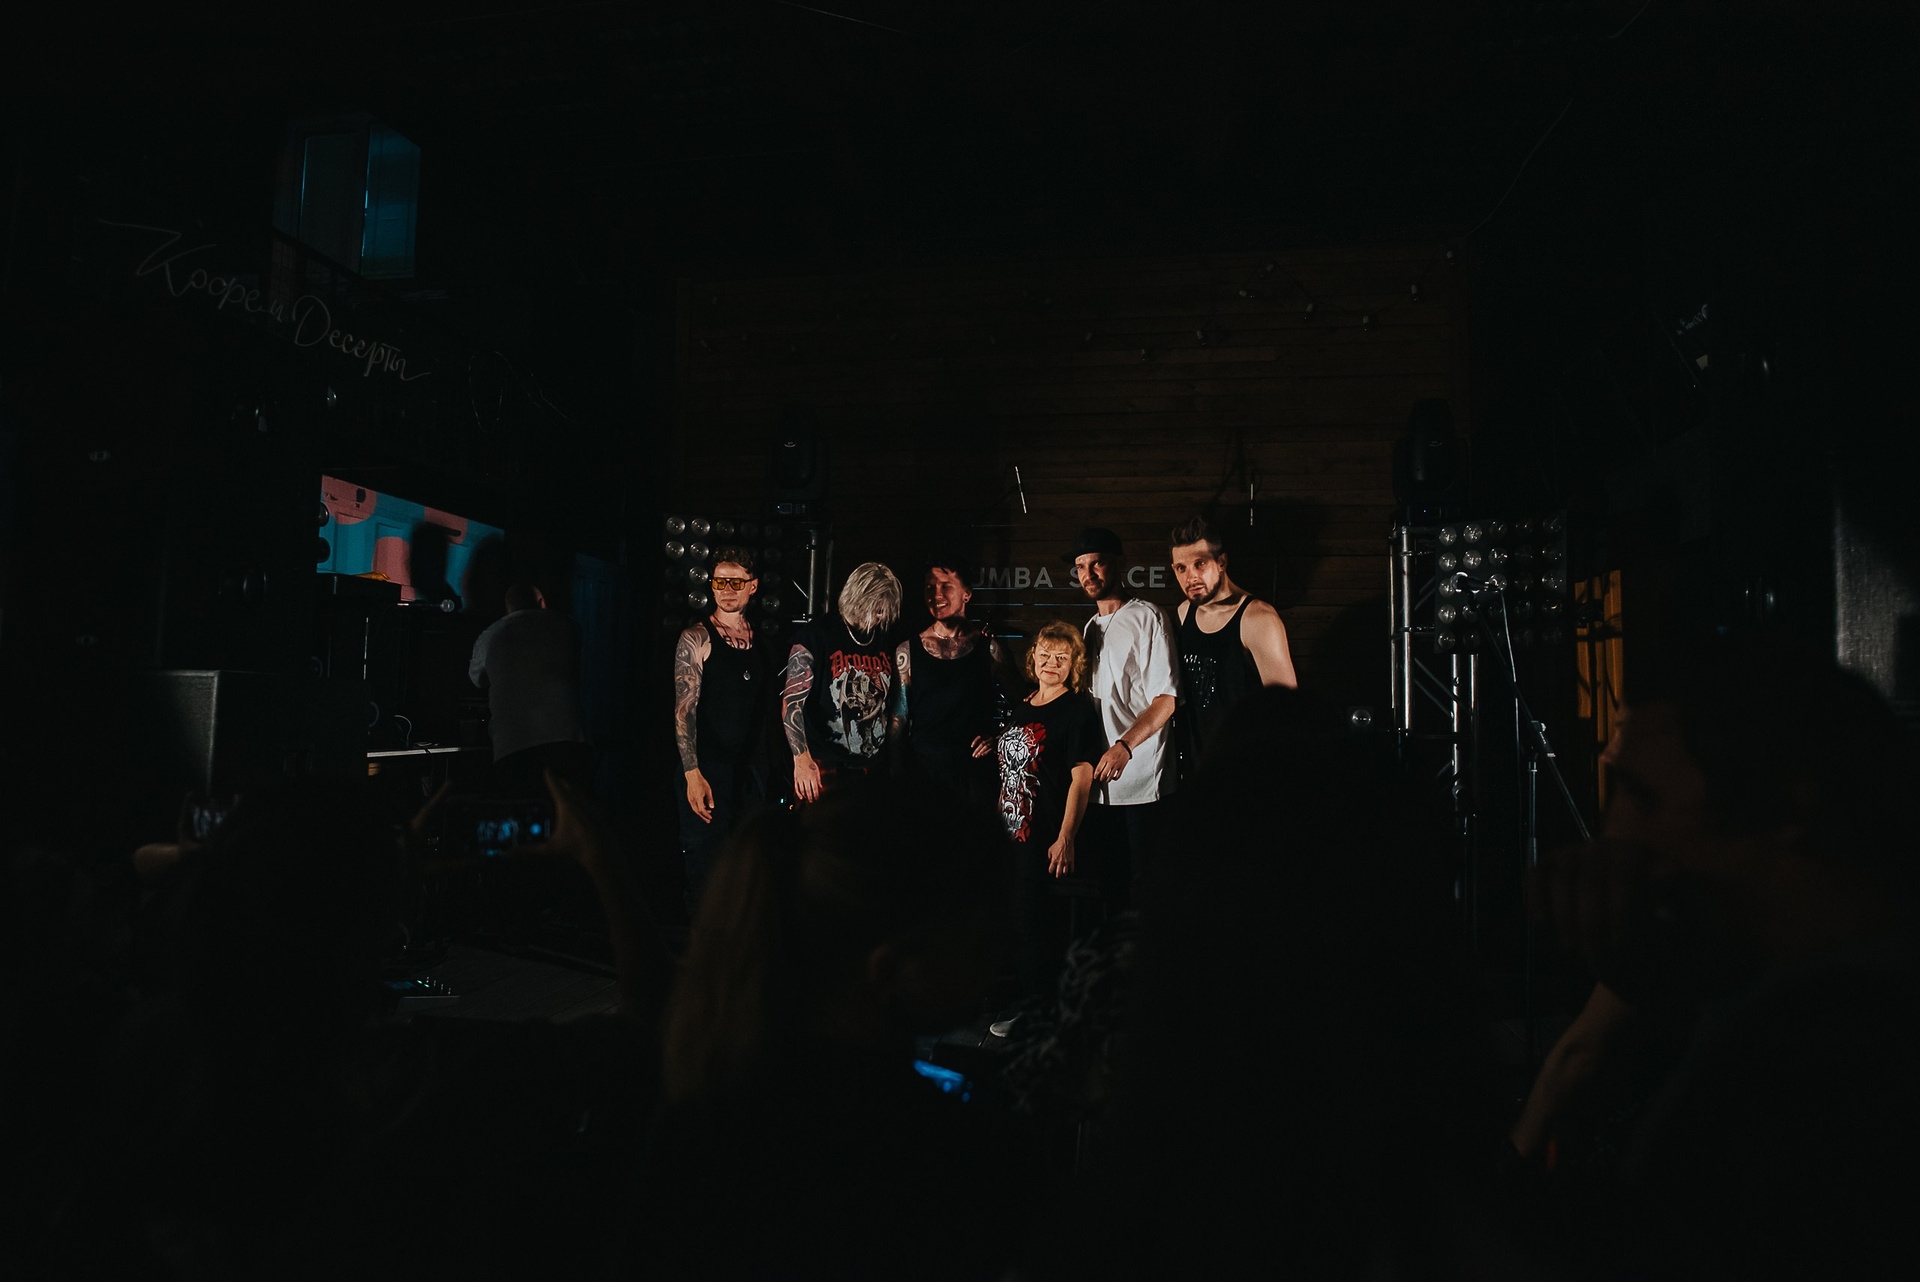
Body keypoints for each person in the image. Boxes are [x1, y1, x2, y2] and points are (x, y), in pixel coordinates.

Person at [1514, 635, 1920, 1280]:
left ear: (1786, 806)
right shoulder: (1720, 955)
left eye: (1641, 795)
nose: (1615, 834)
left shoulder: (1839, 1051)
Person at [645, 775, 1039, 1279]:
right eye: (984, 927)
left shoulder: (711, 1107)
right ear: (891, 967)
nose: (1007, 943)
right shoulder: (941, 1157)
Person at [972, 623, 1104, 999]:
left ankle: (1036, 1009)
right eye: (1045, 654)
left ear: (1074, 664)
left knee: (1033, 927)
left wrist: (1066, 837)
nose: (1051, 663)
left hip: (1041, 835)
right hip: (1009, 834)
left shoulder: (1077, 710)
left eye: (1061, 657)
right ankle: (1016, 1002)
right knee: (1009, 922)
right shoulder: (1024, 706)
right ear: (1033, 658)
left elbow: (1082, 777)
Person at [1069, 527, 1179, 905]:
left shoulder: (1148, 616)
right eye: (1080, 567)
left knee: (1145, 889)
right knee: (1108, 888)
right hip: (1100, 785)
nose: (1088, 574)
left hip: (1142, 780)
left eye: (1097, 563)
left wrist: (1125, 747)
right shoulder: (1089, 627)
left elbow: (1166, 699)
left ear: (1120, 563)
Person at [672, 548, 774, 910]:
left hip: (751, 772)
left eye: (735, 583)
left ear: (753, 586)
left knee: (749, 872)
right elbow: (684, 710)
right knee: (707, 872)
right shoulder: (696, 638)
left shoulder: (762, 642)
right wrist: (692, 772)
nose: (726, 590)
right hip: (709, 769)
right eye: (719, 582)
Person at [1168, 514, 1297, 764]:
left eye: (1199, 564)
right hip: (1200, 761)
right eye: (1181, 568)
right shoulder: (1184, 612)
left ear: (1221, 562)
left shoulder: (1257, 618)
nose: (1190, 577)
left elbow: (1287, 708)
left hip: (1246, 762)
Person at [781, 562, 903, 803]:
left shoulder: (884, 638)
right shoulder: (816, 636)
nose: (880, 617)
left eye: (883, 611)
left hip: (872, 767)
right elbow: (792, 703)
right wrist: (801, 759)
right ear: (857, 598)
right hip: (827, 765)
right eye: (876, 609)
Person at [894, 557, 1003, 804]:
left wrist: (999, 738)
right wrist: (896, 773)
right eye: (930, 587)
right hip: (924, 775)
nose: (936, 595)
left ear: (967, 594)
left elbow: (1026, 705)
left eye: (946, 586)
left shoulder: (990, 649)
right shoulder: (907, 651)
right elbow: (898, 719)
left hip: (974, 777)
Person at [467, 583, 593, 792]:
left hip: (513, 746)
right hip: (570, 740)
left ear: (508, 609)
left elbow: (477, 679)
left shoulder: (490, 635)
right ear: (542, 602)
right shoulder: (567, 625)